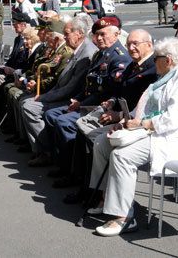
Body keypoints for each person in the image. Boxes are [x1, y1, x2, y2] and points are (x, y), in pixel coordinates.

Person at [87, 37, 178, 236]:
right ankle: (106, 197)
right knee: (102, 142)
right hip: (152, 131)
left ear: (167, 60)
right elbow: (144, 109)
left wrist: (141, 124)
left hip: (172, 138)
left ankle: (124, 217)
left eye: (156, 57)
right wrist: (127, 120)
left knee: (123, 155)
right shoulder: (165, 78)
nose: (153, 61)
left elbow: (173, 119)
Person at [43, 17, 130, 187]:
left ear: (116, 34)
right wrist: (78, 100)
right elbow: (89, 85)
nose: (99, 38)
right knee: (51, 114)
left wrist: (81, 104)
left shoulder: (119, 58)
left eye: (103, 34)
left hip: (100, 108)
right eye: (97, 35)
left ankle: (74, 174)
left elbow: (107, 93)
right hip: (88, 102)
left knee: (63, 122)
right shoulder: (100, 54)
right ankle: (63, 164)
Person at [22, 15, 96, 165]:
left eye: (67, 33)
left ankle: (46, 151)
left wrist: (44, 98)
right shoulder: (77, 49)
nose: (65, 37)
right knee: (27, 103)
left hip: (70, 99)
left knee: (29, 107)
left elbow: (70, 88)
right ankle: (42, 149)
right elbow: (62, 80)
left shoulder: (86, 53)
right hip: (61, 94)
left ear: (79, 33)